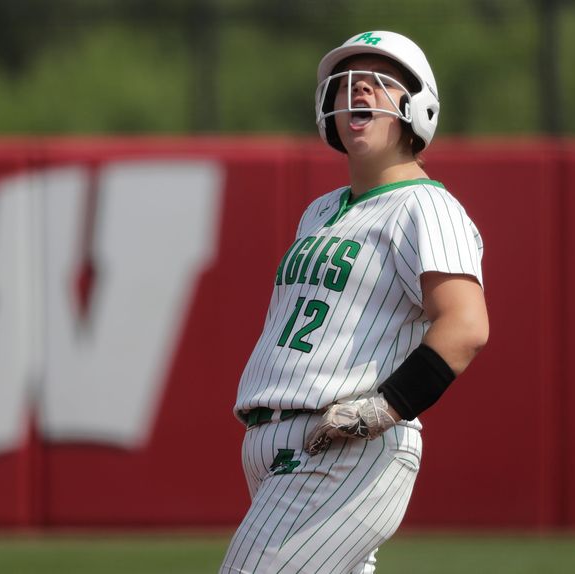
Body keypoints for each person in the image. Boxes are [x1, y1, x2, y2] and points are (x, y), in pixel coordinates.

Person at [219, 31, 489, 574]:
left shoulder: (427, 207)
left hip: (345, 447)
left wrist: (384, 408)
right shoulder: (320, 211)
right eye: (346, 81)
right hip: (278, 445)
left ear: (418, 109)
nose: (358, 88)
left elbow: (465, 325)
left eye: (380, 81)